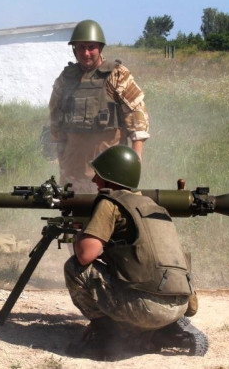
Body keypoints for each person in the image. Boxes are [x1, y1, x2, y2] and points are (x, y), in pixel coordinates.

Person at [64, 145, 206, 359]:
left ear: (110, 177)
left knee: (74, 267)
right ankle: (165, 330)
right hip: (179, 306)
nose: (94, 180)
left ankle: (105, 336)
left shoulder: (110, 203)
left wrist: (79, 231)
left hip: (144, 309)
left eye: (98, 175)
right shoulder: (156, 207)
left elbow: (85, 255)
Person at [49, 19, 149, 193]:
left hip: (109, 172)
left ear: (100, 48)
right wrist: (61, 160)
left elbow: (137, 115)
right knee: (72, 209)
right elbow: (56, 120)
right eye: (81, 47)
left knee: (108, 209)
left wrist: (136, 157)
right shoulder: (66, 79)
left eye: (91, 47)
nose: (86, 53)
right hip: (73, 170)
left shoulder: (117, 75)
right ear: (74, 49)